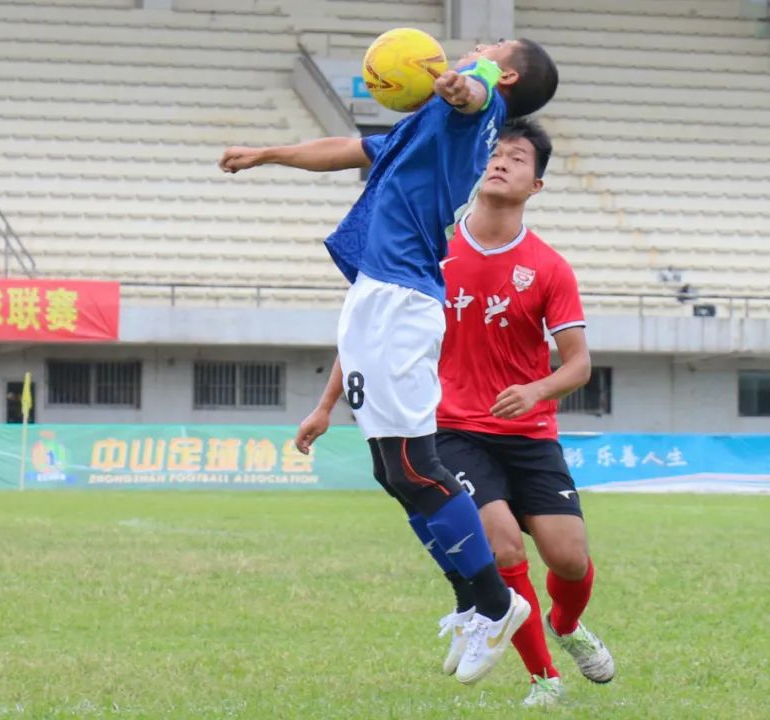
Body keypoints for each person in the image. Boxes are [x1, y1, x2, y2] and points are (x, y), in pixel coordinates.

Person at [220, 39, 559, 685]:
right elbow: (349, 150)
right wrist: (269, 154)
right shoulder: (431, 123)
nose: (474, 50)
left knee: (413, 463)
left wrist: (461, 83)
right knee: (389, 469)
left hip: (402, 299)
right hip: (380, 293)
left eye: (489, 49)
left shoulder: (468, 107)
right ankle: (470, 603)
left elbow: (474, 91)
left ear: (504, 71)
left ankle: (498, 604)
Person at [297, 118, 613, 707]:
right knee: (501, 549)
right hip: (453, 429)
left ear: (536, 186)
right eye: (494, 154)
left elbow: (578, 365)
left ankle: (566, 628)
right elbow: (369, 331)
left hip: (529, 432)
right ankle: (545, 678)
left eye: (517, 159)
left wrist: (538, 390)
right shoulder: (429, 247)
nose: (500, 163)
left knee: (569, 559)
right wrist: (324, 405)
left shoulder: (548, 268)